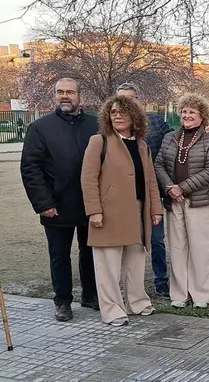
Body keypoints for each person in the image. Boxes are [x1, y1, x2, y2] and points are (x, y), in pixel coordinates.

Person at [20, 77, 99, 322]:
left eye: (70, 92)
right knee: (59, 255)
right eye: (60, 92)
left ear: (80, 96)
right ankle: (63, 301)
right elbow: (31, 168)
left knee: (91, 253)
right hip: (56, 204)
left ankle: (91, 295)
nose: (65, 96)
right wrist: (43, 203)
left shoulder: (96, 124)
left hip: (90, 203)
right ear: (55, 95)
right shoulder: (40, 127)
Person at [80, 95, 163, 326]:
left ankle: (137, 302)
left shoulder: (142, 145)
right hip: (108, 212)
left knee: (135, 261)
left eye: (122, 112)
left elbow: (150, 181)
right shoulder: (99, 141)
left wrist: (155, 209)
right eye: (113, 112)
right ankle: (112, 310)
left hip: (137, 211)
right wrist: (94, 210)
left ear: (134, 116)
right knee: (108, 264)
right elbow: (88, 179)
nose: (117, 115)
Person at [155, 93, 209, 309]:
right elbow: (159, 165)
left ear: (202, 115)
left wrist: (182, 187)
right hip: (174, 201)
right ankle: (179, 294)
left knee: (200, 248)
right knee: (177, 246)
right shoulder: (170, 137)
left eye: (192, 112)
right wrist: (170, 189)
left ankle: (200, 294)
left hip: (199, 200)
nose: (187, 115)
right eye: (184, 111)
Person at [116, 82, 173, 298]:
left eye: (130, 98)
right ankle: (128, 284)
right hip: (124, 195)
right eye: (122, 99)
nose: (126, 103)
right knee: (127, 241)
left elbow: (173, 142)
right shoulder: (112, 126)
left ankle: (161, 281)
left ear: (138, 100)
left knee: (157, 240)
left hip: (151, 192)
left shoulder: (156, 121)